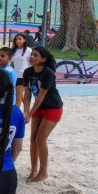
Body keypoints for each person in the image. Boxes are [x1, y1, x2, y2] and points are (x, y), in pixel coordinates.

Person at [22, 46, 63, 183]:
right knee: (33, 138)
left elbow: (40, 96)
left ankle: (43, 172)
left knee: (40, 139)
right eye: (32, 55)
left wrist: (30, 114)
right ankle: (34, 169)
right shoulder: (28, 72)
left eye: (36, 55)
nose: (32, 57)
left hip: (53, 107)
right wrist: (25, 111)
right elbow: (27, 94)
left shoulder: (48, 73)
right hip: (38, 108)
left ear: (43, 59)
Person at [10, 33, 31, 107]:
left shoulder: (28, 50)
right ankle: (28, 109)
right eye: (16, 39)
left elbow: (31, 63)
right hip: (15, 76)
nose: (17, 41)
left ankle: (15, 115)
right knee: (20, 95)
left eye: (20, 39)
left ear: (24, 40)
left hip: (23, 77)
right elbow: (12, 63)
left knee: (18, 98)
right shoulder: (14, 50)